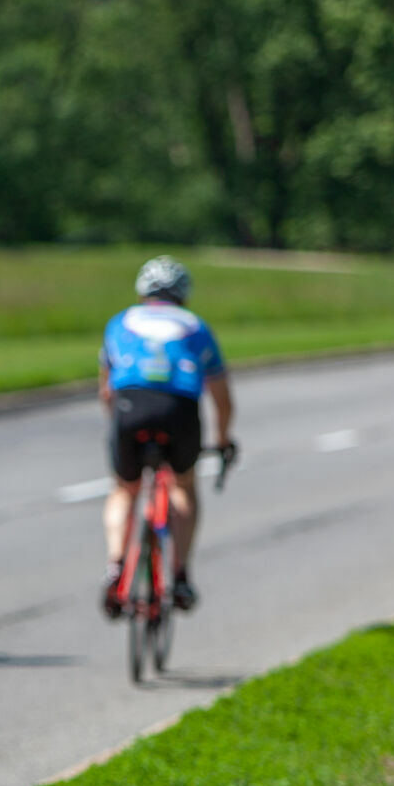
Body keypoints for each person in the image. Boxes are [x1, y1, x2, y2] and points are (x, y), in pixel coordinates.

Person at [99, 255, 234, 618]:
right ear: (183, 294)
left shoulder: (121, 323)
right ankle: (179, 573)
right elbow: (221, 398)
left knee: (124, 489)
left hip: (130, 408)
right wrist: (222, 441)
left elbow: (107, 391)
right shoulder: (196, 327)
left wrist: (117, 428)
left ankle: (115, 565)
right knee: (183, 485)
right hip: (180, 410)